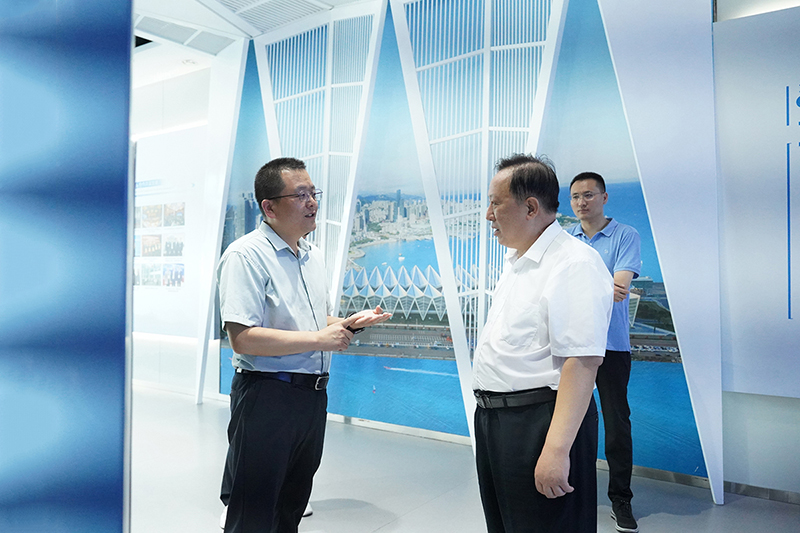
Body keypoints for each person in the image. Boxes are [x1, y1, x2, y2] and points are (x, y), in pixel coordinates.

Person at [216, 157, 390, 533]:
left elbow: (311, 321)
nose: (312, 202)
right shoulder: (245, 256)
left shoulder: (312, 256)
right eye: (300, 195)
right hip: (267, 396)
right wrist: (319, 339)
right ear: (269, 207)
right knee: (253, 514)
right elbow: (242, 338)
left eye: (313, 193)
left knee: (291, 507)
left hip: (311, 399)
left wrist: (347, 323)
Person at [473, 154, 613, 533]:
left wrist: (556, 450)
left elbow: (582, 362)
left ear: (531, 207)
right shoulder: (518, 261)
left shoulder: (573, 264)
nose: (488, 215)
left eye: (496, 203)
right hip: (496, 422)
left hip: (539, 423)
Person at [567, 171, 641, 533]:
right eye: (575, 197)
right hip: (573, 344)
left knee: (616, 424)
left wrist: (582, 287)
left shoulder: (626, 235)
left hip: (612, 344)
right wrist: (599, 286)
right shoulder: (567, 239)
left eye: (589, 195)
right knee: (568, 420)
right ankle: (569, 489)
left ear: (604, 197)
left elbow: (620, 289)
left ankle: (621, 499)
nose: (582, 202)